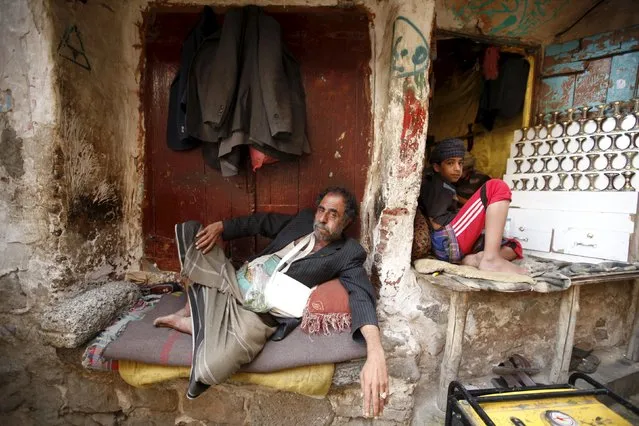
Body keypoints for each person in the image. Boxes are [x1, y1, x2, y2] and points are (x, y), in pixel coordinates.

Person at [155, 186, 388, 417]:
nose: (323, 218)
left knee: (212, 367)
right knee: (194, 240)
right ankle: (201, 310)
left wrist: (375, 350)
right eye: (321, 210)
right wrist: (222, 227)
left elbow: (361, 295)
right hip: (239, 280)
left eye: (333, 214)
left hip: (260, 311)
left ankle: (198, 316)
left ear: (346, 221)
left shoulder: (348, 252)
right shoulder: (304, 219)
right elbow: (261, 222)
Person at [417, 138, 526, 274]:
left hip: (450, 245)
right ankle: (490, 259)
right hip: (446, 242)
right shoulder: (436, 185)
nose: (457, 168)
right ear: (437, 167)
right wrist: (474, 221)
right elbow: (437, 224)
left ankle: (474, 260)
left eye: (460, 163)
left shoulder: (447, 186)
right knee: (496, 186)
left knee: (514, 246)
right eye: (450, 163)